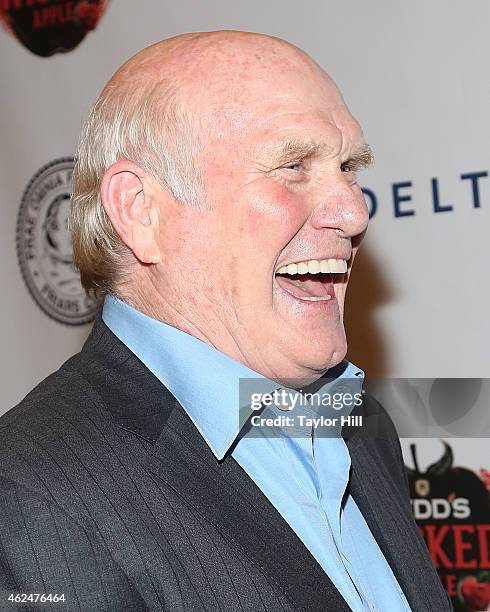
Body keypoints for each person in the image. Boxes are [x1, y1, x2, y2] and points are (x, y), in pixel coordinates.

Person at [0, 31, 452, 611]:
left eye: (347, 168)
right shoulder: (31, 502)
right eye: (292, 166)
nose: (354, 210)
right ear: (142, 211)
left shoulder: (354, 421)